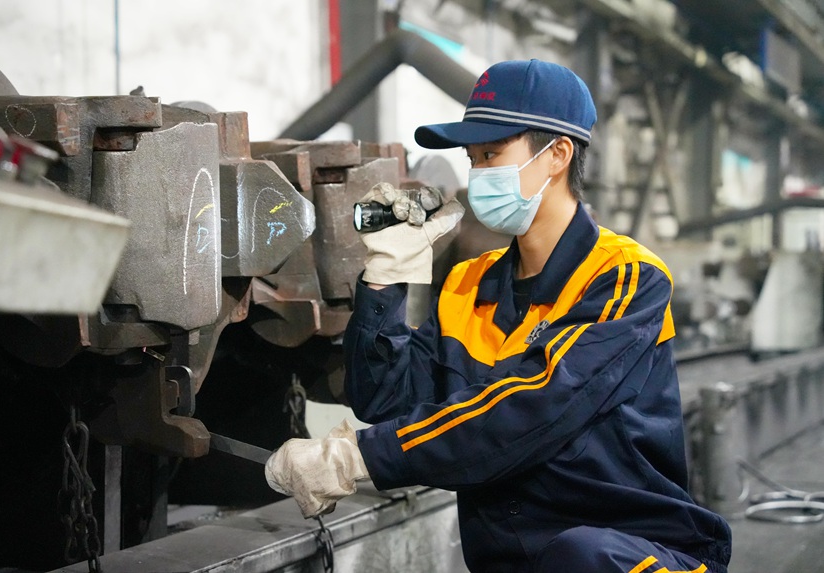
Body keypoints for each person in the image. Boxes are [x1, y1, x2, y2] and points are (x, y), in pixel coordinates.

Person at [265, 59, 732, 572]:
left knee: (580, 555)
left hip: (629, 556)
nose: (478, 175)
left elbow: (532, 406)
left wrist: (357, 458)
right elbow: (384, 398)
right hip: (515, 561)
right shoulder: (470, 284)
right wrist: (385, 277)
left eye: (492, 154)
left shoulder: (626, 278)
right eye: (472, 159)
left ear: (557, 154)